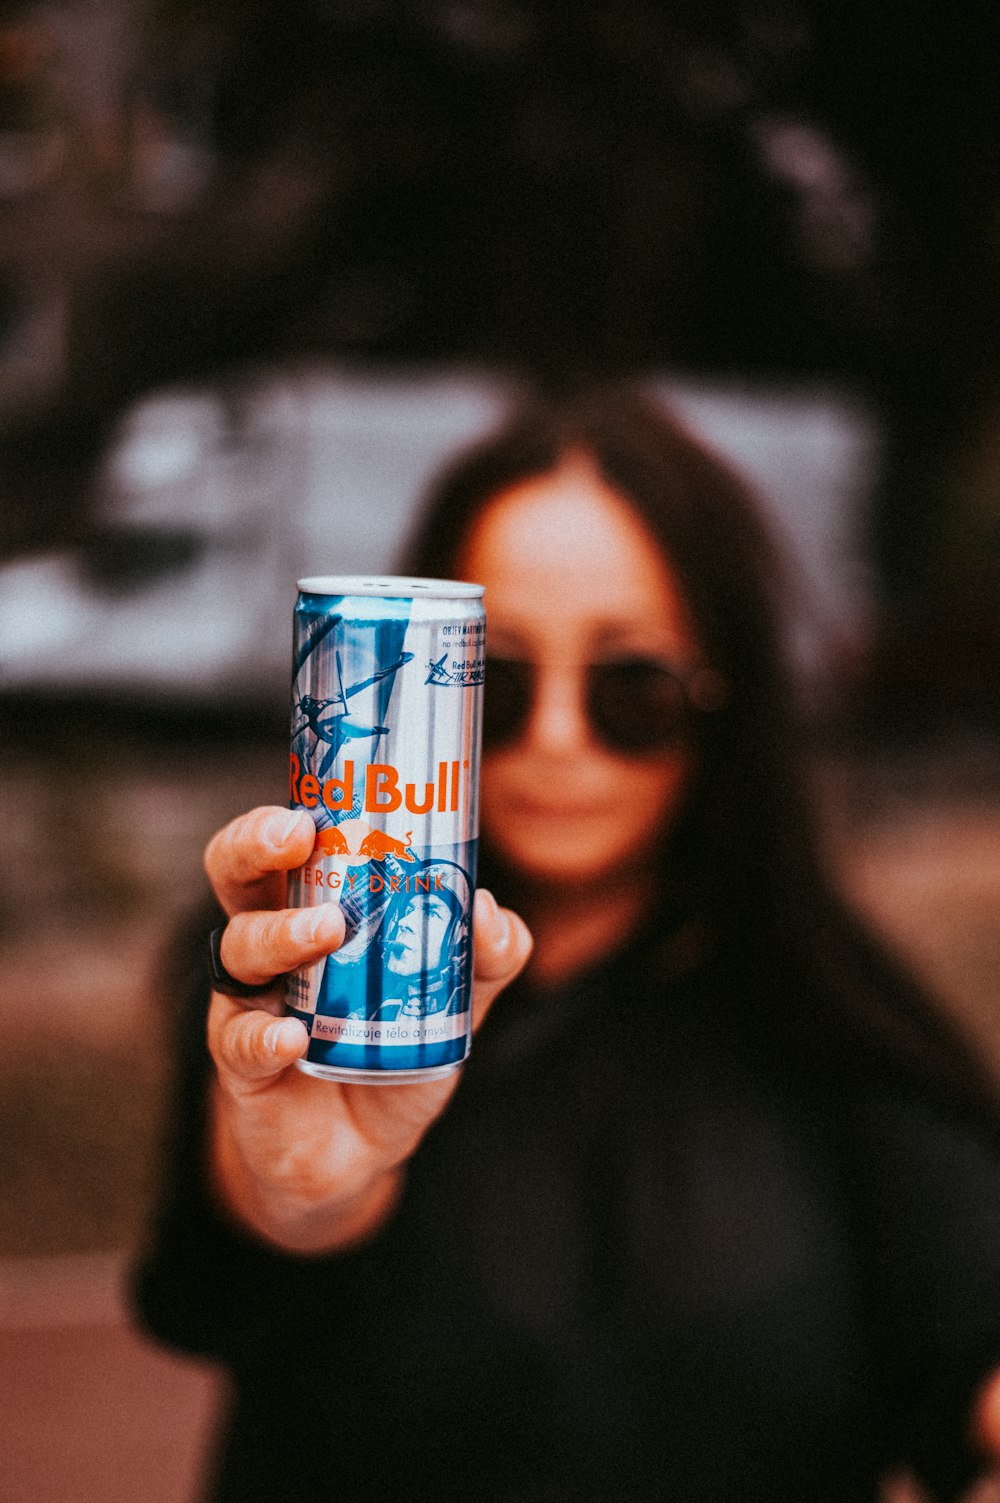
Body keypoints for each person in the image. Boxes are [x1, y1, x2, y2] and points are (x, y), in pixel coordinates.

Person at [134, 387, 1000, 1502]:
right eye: (495, 684)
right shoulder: (293, 967)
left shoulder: (829, 1020)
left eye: (630, 688)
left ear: (721, 703)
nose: (554, 743)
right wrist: (299, 1189)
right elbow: (244, 1252)